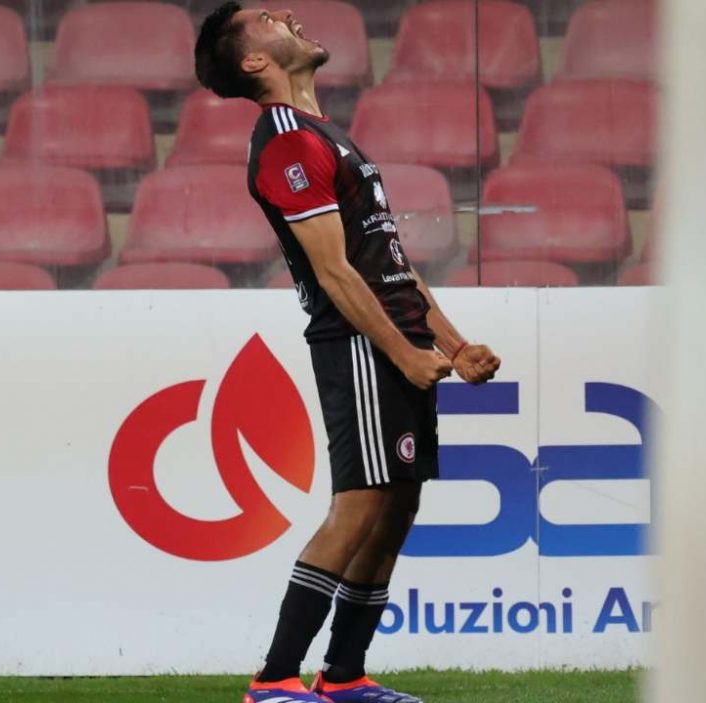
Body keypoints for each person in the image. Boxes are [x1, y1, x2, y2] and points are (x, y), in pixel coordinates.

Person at [195, 5, 501, 702]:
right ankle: (274, 679)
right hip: (360, 344)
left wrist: (452, 343)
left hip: (396, 336)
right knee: (360, 505)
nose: (290, 16)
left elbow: (390, 260)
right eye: (269, 18)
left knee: (395, 509)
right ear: (253, 62)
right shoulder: (282, 141)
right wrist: (402, 352)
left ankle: (344, 676)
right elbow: (335, 273)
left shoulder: (325, 135)